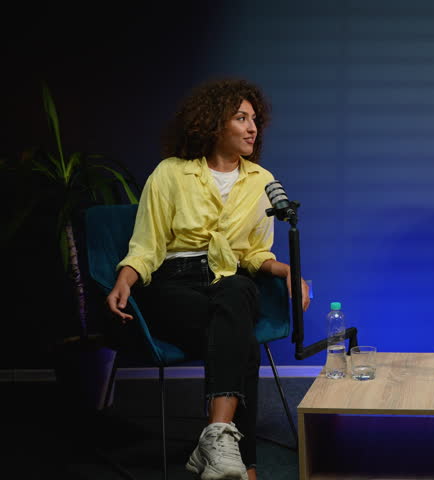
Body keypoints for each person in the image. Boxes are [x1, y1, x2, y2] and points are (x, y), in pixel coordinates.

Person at [106, 78, 310, 480]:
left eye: (255, 120)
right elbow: (147, 245)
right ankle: (245, 465)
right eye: (241, 118)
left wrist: (288, 271)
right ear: (215, 124)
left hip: (228, 281)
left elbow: (253, 254)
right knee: (243, 340)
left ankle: (217, 438)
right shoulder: (170, 174)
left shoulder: (262, 181)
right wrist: (125, 279)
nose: (252, 128)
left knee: (235, 289)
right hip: (174, 284)